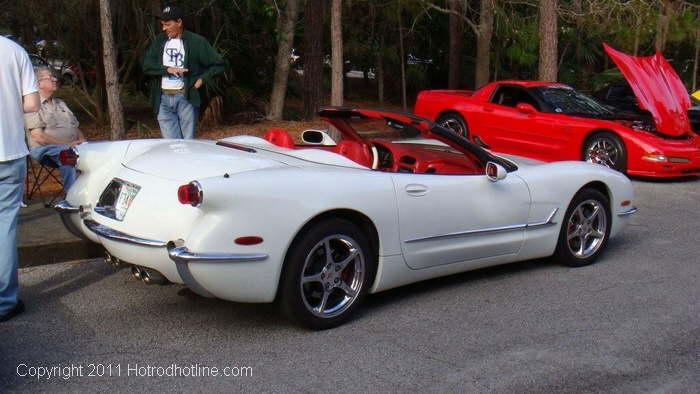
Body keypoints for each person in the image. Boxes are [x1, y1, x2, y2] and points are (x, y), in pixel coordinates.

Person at [0, 35, 40, 323]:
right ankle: (4, 300)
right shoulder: (14, 51)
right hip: (9, 150)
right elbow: (32, 104)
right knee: (5, 227)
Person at [143, 5, 226, 139]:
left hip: (186, 98)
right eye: (162, 25)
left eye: (168, 24)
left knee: (188, 143)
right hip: (163, 99)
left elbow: (219, 64)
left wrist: (202, 79)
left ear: (179, 22)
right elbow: (147, 65)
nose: (164, 28)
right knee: (171, 145)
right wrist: (167, 69)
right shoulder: (160, 41)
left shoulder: (196, 42)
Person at [24, 66, 86, 191]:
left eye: (54, 77)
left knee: (101, 150)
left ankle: (95, 194)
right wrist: (69, 144)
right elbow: (39, 137)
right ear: (39, 83)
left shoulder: (60, 103)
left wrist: (83, 141)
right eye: (50, 77)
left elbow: (75, 127)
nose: (55, 79)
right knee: (67, 153)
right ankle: (72, 196)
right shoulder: (32, 105)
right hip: (43, 149)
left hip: (73, 147)